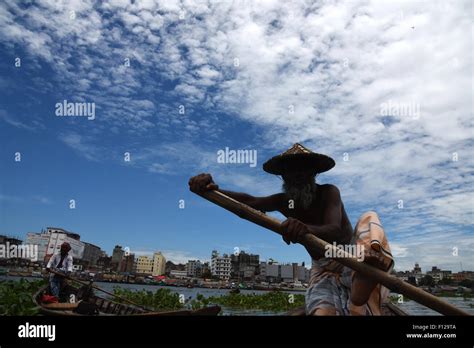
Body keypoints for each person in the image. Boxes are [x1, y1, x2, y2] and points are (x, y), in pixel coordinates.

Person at [189, 143, 394, 315]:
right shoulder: (283, 201)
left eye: (303, 170)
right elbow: (249, 202)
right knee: (322, 311)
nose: (296, 176)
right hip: (322, 268)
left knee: (369, 218)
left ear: (313, 173)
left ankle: (361, 283)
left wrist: (304, 229)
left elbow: (332, 229)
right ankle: (353, 289)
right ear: (283, 177)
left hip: (351, 256)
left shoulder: (329, 192)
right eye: (290, 172)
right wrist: (211, 190)